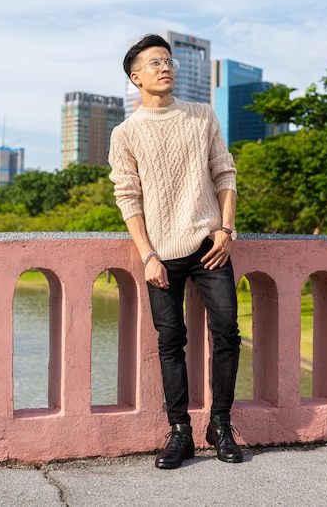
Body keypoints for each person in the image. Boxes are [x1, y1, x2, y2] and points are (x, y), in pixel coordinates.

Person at [108, 34, 243, 469]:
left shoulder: (202, 116)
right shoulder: (125, 133)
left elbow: (225, 172)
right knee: (171, 341)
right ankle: (180, 432)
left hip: (209, 242)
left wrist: (226, 228)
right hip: (161, 253)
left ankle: (220, 425)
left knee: (227, 332)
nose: (165, 67)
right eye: (154, 63)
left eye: (168, 61)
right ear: (136, 77)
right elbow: (128, 197)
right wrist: (147, 254)